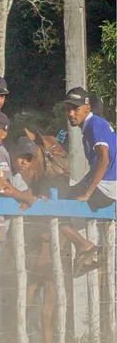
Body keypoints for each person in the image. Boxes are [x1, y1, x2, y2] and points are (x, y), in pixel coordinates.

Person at [63, 87, 115, 275]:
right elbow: (96, 167)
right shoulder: (91, 127)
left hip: (107, 187)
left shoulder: (94, 124)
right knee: (66, 194)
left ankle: (86, 247)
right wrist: (81, 186)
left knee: (57, 209)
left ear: (87, 107)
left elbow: (104, 159)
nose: (71, 113)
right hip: (106, 185)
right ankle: (83, 248)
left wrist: (87, 193)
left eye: (75, 108)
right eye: (68, 108)